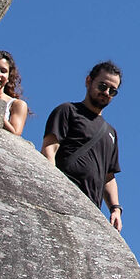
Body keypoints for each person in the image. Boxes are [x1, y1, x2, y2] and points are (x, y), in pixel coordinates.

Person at [42, 61, 123, 229]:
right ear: (88, 81)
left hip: (91, 208)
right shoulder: (67, 111)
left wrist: (115, 209)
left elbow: (109, 177)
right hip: (62, 196)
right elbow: (49, 149)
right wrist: (52, 186)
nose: (106, 92)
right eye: (102, 86)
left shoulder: (111, 132)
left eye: (113, 91)